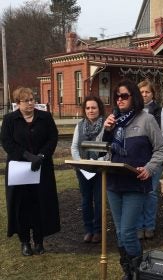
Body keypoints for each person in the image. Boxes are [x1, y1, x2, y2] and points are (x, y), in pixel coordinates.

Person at [103, 79, 163, 279]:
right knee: (120, 233)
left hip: (135, 183)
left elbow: (160, 149)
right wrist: (106, 131)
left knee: (128, 232)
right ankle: (129, 272)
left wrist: (149, 168)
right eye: (117, 96)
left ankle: (138, 272)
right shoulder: (113, 121)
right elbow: (99, 150)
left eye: (124, 96)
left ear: (134, 97)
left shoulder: (146, 119)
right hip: (113, 183)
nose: (119, 100)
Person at [0, 87, 60, 256]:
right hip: (20, 169)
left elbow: (52, 137)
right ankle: (25, 242)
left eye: (32, 99)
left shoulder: (45, 117)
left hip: (42, 168)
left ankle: (39, 241)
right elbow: (7, 142)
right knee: (22, 206)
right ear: (18, 103)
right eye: (26, 100)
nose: (31, 103)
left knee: (40, 204)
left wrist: (41, 155)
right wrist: (27, 156)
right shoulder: (10, 120)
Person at [136, 79, 163, 240]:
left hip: (154, 159)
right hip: (136, 159)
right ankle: (138, 225)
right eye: (141, 92)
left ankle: (149, 225)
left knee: (150, 193)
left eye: (147, 92)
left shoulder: (159, 111)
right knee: (136, 193)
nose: (144, 95)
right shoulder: (133, 111)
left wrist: (152, 148)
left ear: (152, 94)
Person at [71, 96, 105, 244]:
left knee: (99, 201)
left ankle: (98, 230)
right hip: (83, 170)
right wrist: (81, 163)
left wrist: (98, 162)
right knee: (86, 201)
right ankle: (88, 230)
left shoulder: (106, 125)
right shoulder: (79, 126)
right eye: (88, 108)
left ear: (99, 109)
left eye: (94, 108)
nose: (91, 110)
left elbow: (109, 148)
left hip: (100, 169)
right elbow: (74, 147)